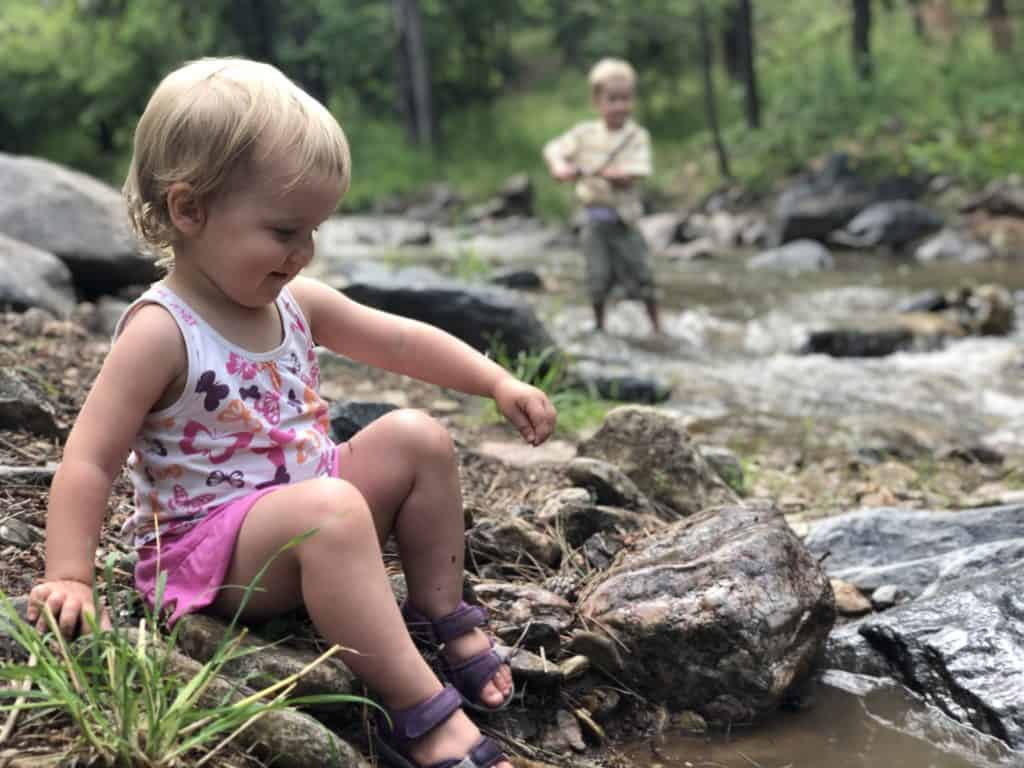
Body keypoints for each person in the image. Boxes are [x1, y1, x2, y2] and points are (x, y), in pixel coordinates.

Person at [26, 57, 557, 768]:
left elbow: (397, 338)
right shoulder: (161, 331)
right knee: (331, 509)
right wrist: (71, 574)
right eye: (284, 232)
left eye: (315, 231)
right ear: (189, 210)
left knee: (417, 436)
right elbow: (89, 459)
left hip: (314, 509)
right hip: (215, 551)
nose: (304, 253)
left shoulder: (292, 302)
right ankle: (415, 709)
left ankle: (438, 612)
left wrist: (495, 381)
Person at [543, 57, 662, 335]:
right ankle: (600, 326)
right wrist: (560, 167)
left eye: (626, 99)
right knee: (596, 277)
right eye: (613, 99)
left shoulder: (636, 136)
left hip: (625, 222)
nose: (620, 106)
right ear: (597, 101)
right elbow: (553, 148)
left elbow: (635, 172)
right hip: (594, 222)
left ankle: (657, 327)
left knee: (644, 276)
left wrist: (600, 172)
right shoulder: (585, 135)